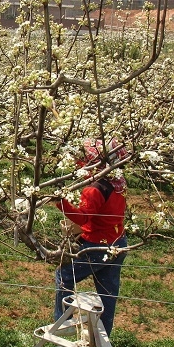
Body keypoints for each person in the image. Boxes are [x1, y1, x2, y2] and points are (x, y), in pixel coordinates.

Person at [54, 137, 129, 336]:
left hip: (96, 246)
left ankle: (63, 322)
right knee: (107, 292)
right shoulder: (117, 181)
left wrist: (61, 203)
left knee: (65, 276)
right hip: (118, 243)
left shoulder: (94, 190)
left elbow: (83, 217)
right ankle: (103, 334)